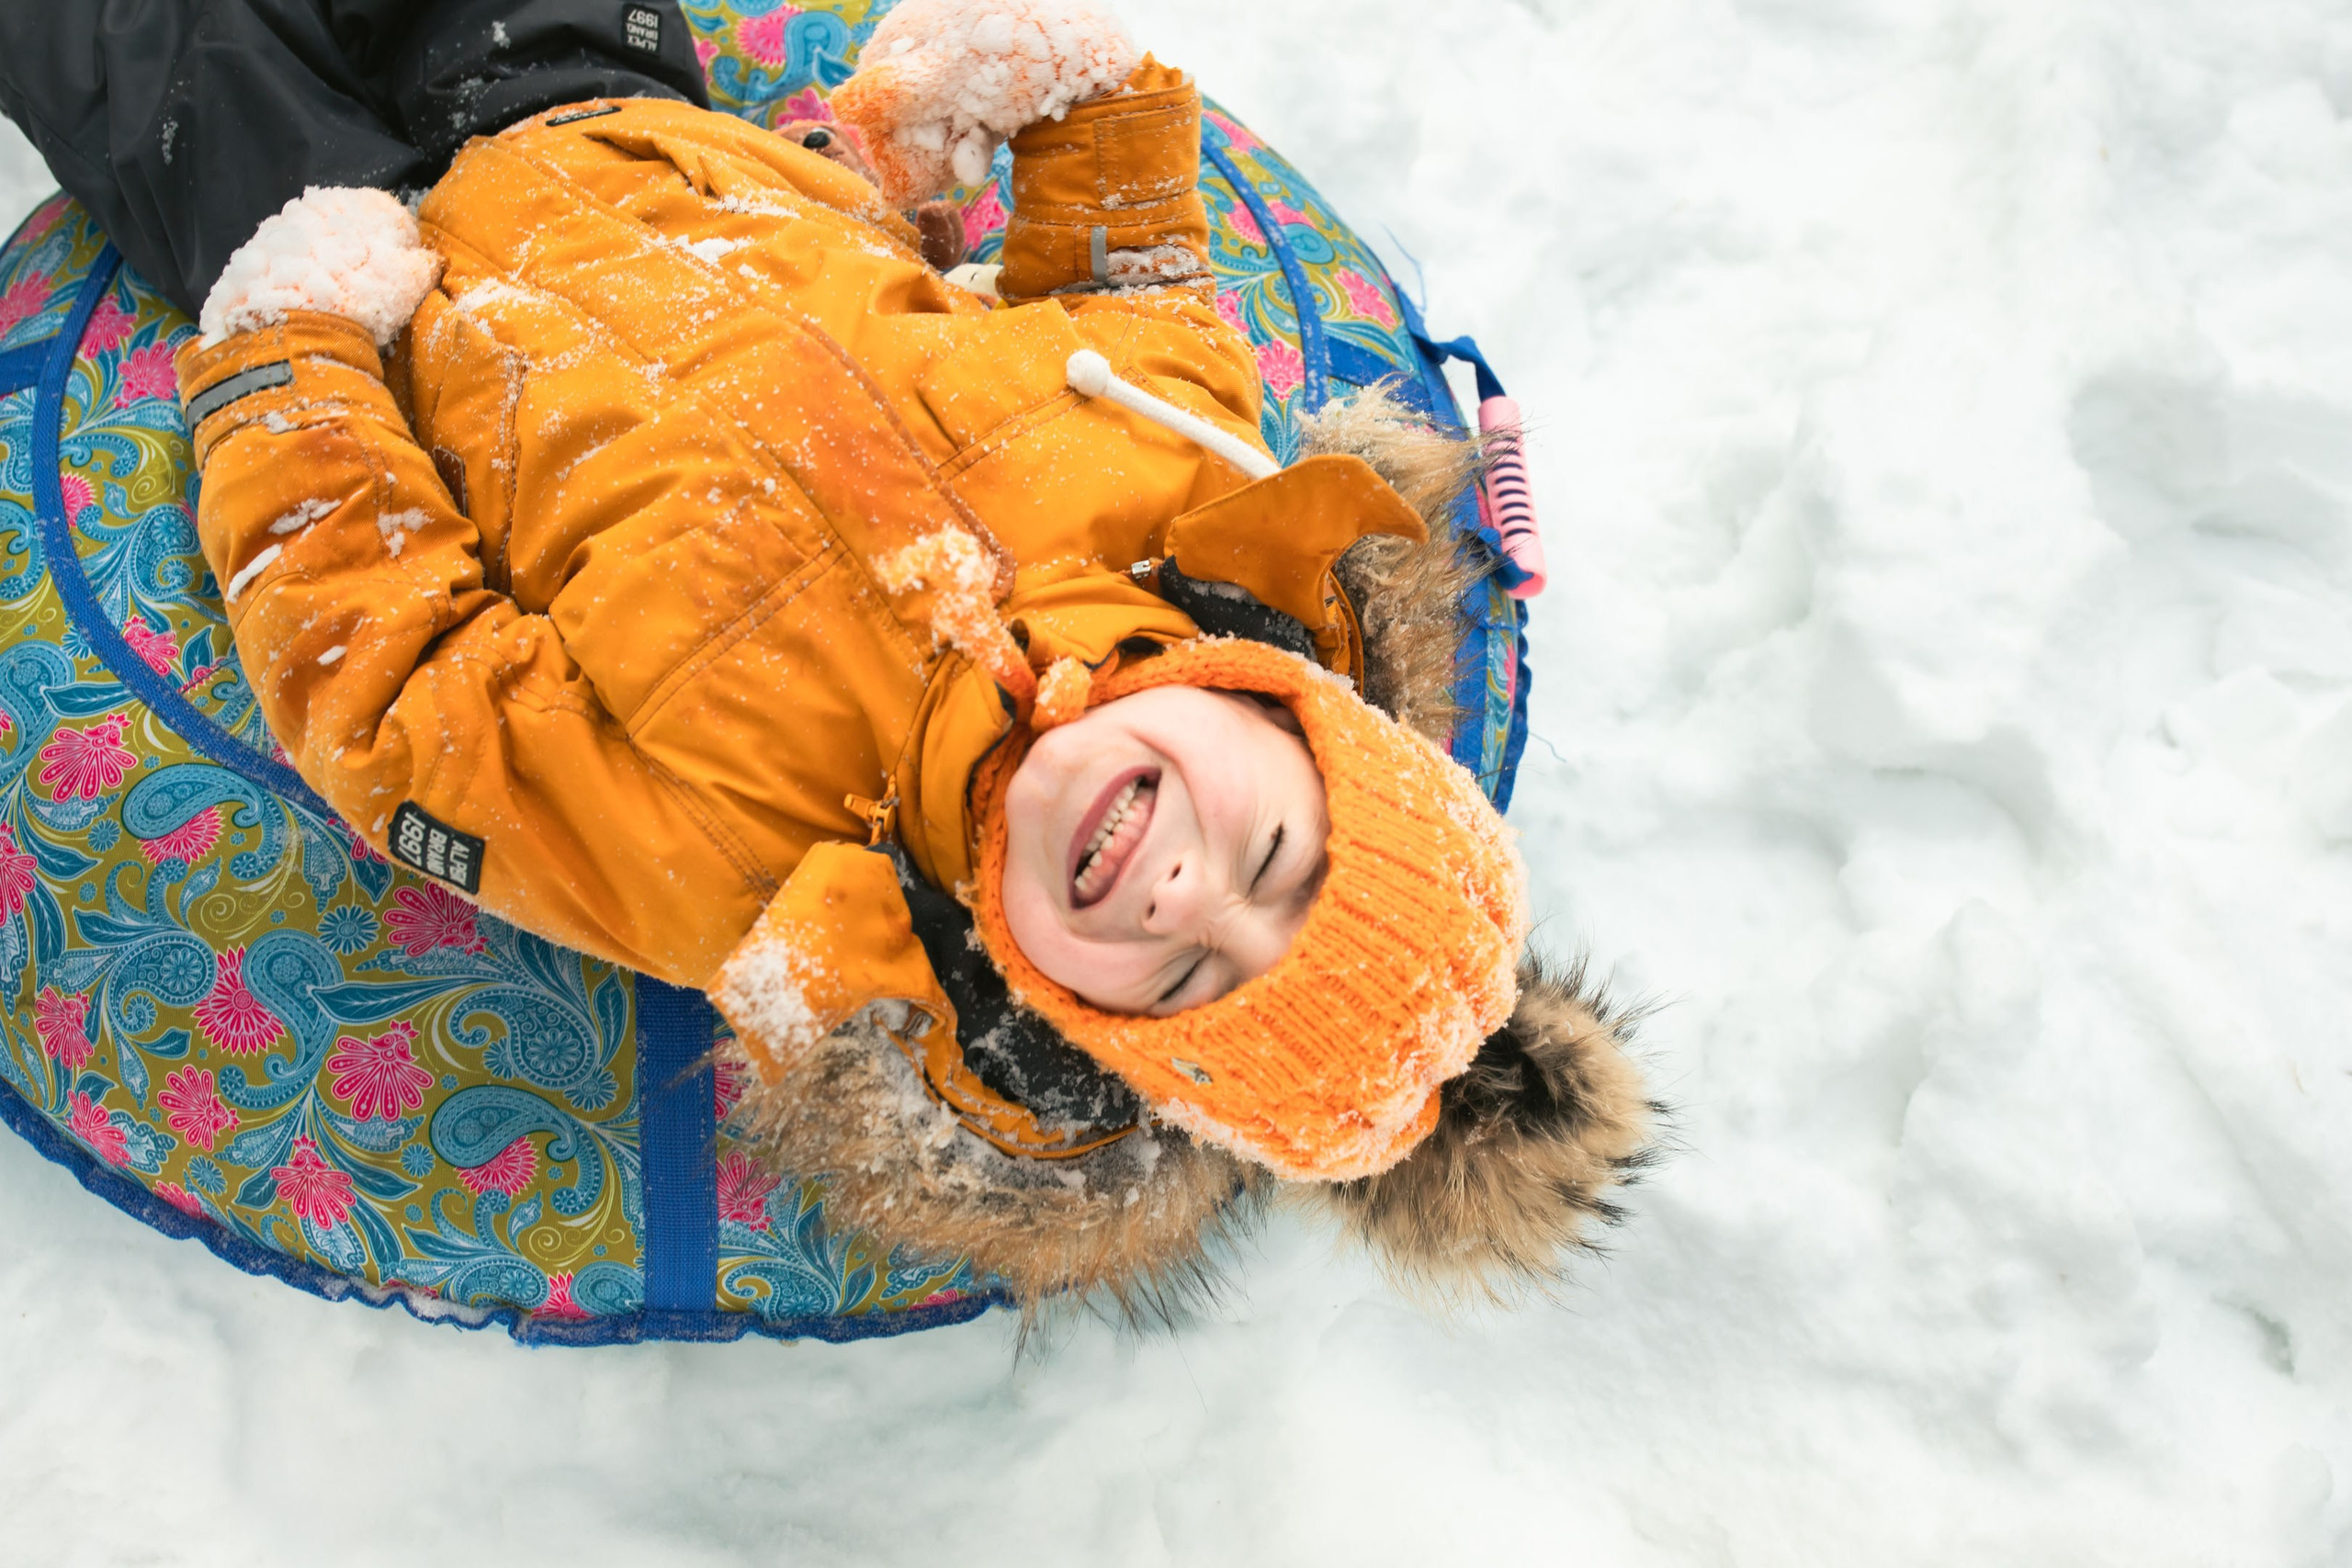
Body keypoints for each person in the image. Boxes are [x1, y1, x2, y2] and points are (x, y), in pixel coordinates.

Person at [0, 0, 1655, 1313]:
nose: (1180, 892)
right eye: (1274, 854)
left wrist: (292, 358)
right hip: (624, 121)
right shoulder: (1189, 487)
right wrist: (1069, 94)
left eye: (1188, 984)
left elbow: (402, 705)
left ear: (1074, 1026)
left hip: (377, 270)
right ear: (1292, 711)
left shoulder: (751, 873)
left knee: (152, 46)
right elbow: (1136, 273)